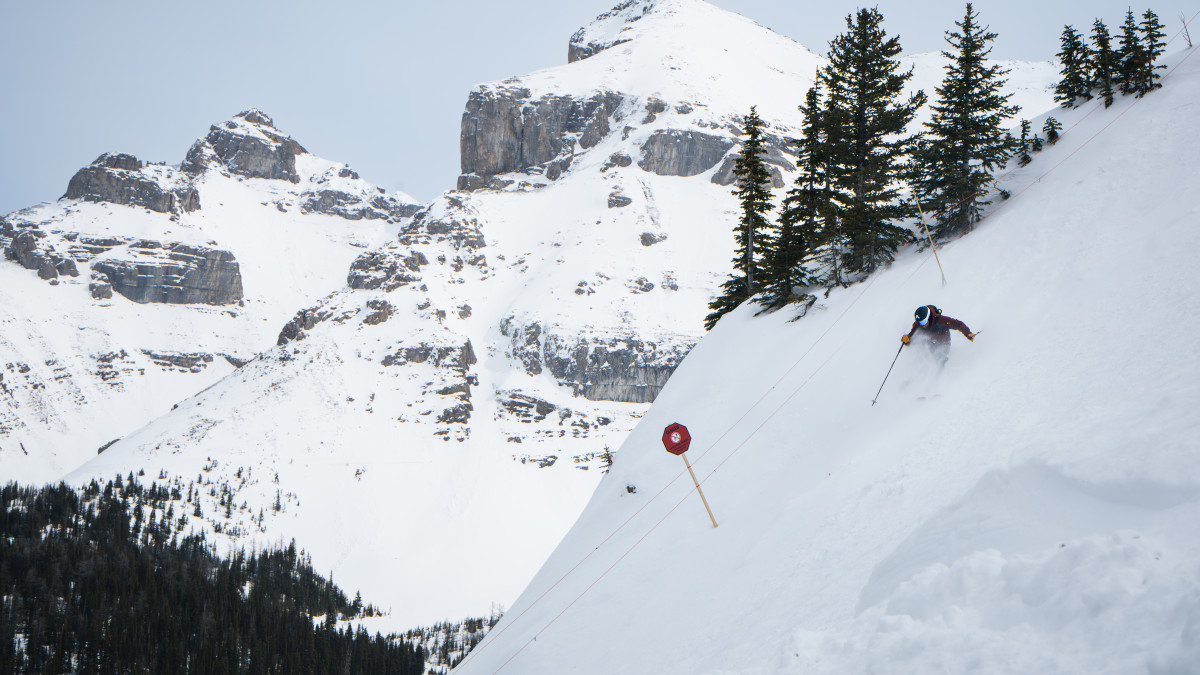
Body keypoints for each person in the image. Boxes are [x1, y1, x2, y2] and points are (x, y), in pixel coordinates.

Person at [901, 305, 975, 366]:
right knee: (925, 356)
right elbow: (912, 337)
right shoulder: (918, 325)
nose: (922, 325)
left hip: (943, 342)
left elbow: (958, 324)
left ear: (928, 317)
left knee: (940, 358)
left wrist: (967, 333)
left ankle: (943, 372)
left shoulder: (940, 321)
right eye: (919, 322)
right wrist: (907, 339)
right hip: (930, 343)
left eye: (923, 322)